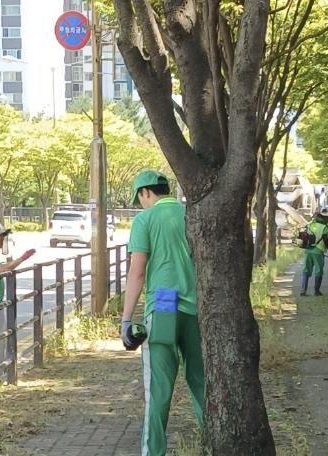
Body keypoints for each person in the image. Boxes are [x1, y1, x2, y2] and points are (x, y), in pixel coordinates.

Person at [120, 170, 204, 456]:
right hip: (195, 309)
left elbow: (137, 271)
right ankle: (213, 443)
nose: (141, 204)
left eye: (140, 198)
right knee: (201, 383)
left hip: (162, 308)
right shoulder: (191, 215)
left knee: (158, 390)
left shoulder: (145, 220)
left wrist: (126, 320)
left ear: (145, 192)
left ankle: (154, 452)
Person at [301, 208, 328, 296]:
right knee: (318, 271)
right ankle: (316, 291)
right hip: (318, 252)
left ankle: (303, 291)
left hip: (308, 250)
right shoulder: (324, 227)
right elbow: (325, 240)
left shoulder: (310, 224)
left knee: (306, 270)